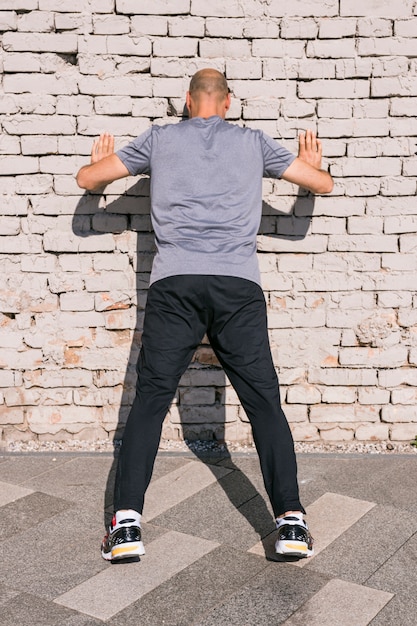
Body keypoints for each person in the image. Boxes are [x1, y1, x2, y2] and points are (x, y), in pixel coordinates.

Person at [76, 68, 333, 562]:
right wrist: (307, 170)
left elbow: (87, 179)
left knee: (151, 399)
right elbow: (322, 183)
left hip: (175, 283)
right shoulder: (255, 142)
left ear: (188, 102)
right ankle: (292, 523)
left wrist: (99, 166)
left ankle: (126, 525)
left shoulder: (158, 138)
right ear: (228, 103)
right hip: (238, 285)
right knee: (263, 403)